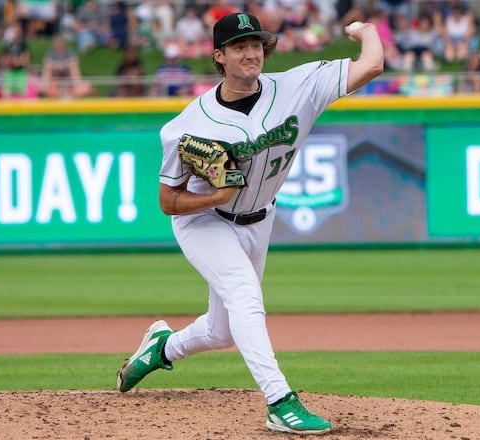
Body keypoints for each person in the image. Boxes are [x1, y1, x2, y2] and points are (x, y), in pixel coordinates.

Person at [115, 11, 383, 435]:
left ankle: (163, 347)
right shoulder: (186, 124)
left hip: (261, 219)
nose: (251, 53)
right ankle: (280, 401)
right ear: (219, 56)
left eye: (256, 44)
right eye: (240, 46)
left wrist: (366, 31)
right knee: (245, 295)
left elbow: (371, 65)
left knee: (223, 331)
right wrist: (216, 195)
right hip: (205, 220)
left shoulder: (298, 87)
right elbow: (167, 200)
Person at [39, 34, 94, 99]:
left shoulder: (70, 53)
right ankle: (52, 89)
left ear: (64, 44)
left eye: (60, 43)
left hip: (69, 81)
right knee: (46, 73)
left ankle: (76, 86)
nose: (59, 45)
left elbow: (74, 62)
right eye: (57, 43)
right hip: (54, 81)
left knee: (74, 69)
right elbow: (47, 64)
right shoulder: (50, 54)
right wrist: (63, 64)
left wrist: (57, 65)